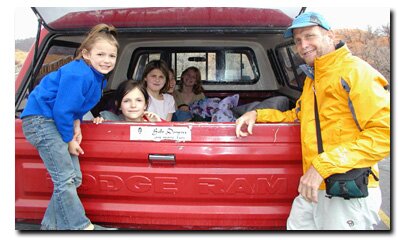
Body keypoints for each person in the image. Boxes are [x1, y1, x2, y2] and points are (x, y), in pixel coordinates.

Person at [235, 12, 390, 230]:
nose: (303, 45)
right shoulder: (313, 78)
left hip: (346, 187)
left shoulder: (356, 71)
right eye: (298, 41)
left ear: (331, 36)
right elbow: (297, 116)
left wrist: (322, 166)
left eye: (310, 36)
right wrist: (258, 114)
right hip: (314, 186)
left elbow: (384, 135)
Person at [20, 23, 119, 230]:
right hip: (41, 122)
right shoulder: (79, 74)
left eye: (111, 56)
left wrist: (77, 126)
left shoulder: (96, 77)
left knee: (74, 178)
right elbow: (61, 111)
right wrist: (70, 140)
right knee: (65, 178)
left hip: (54, 121)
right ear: (86, 54)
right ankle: (80, 227)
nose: (107, 60)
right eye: (100, 54)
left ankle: (49, 227)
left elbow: (73, 108)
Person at [93, 80, 162, 123]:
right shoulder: (109, 120)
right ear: (118, 105)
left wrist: (157, 125)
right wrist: (98, 123)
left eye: (138, 100)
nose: (133, 105)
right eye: (126, 101)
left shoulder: (154, 121)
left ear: (145, 104)